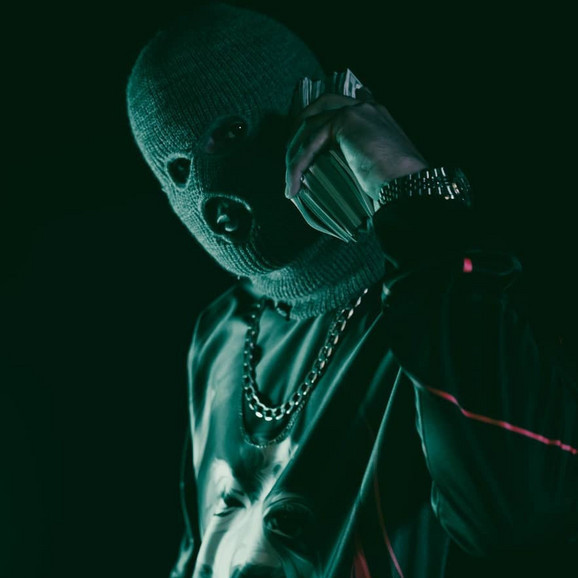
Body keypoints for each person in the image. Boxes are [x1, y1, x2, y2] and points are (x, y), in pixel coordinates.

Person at [126, 2, 577, 576]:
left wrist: (410, 192)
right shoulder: (220, 331)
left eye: (231, 134)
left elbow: (517, 511)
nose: (212, 198)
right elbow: (200, 551)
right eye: (178, 169)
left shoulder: (458, 296)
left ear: (313, 107)